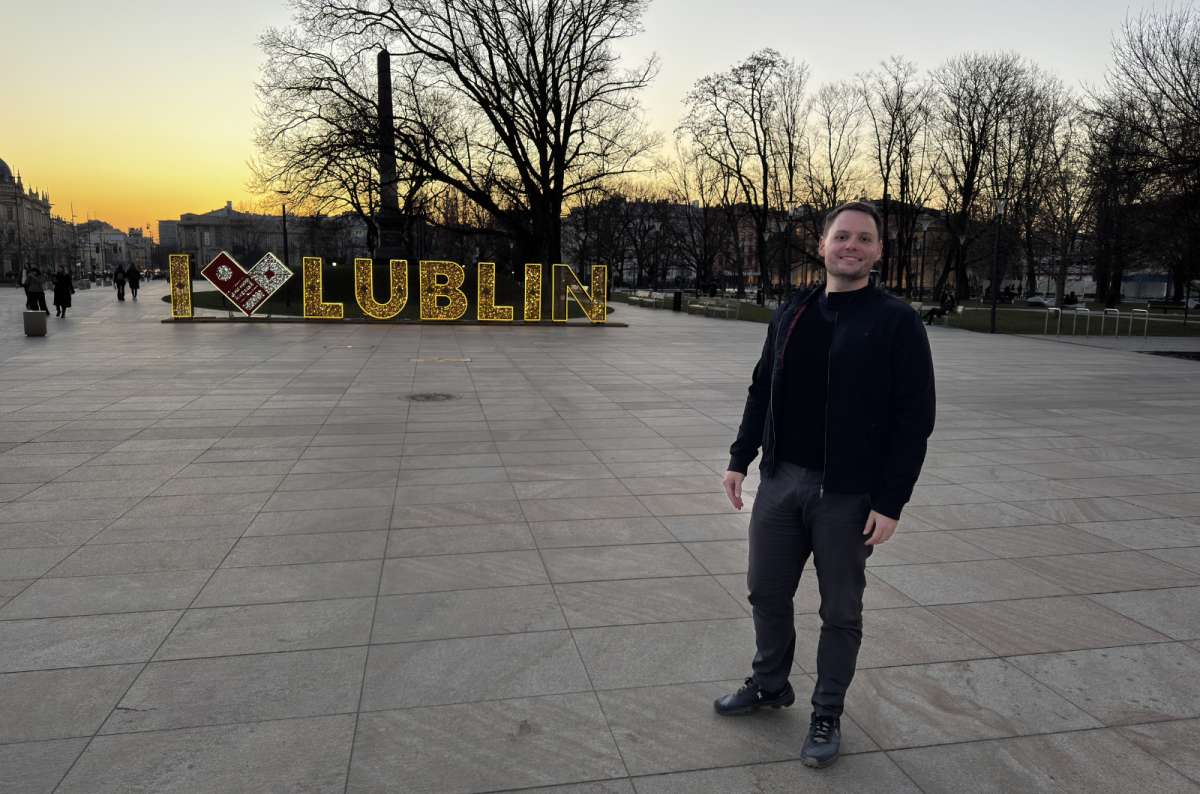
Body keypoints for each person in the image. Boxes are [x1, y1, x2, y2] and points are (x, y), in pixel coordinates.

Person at [716, 201, 936, 769]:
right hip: (782, 482)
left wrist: (891, 502)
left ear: (878, 251)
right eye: (842, 236)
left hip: (848, 494)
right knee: (766, 591)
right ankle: (770, 684)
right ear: (822, 245)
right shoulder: (793, 311)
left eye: (865, 239)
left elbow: (915, 418)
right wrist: (741, 458)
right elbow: (761, 388)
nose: (852, 246)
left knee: (840, 610)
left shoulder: (897, 321)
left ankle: (827, 711)